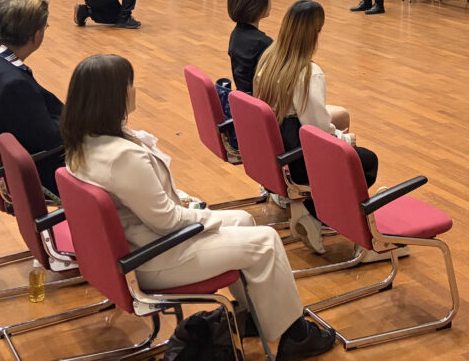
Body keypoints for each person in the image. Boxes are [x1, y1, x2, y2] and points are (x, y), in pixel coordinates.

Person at [61, 54, 336, 358]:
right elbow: (167, 221)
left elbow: (141, 200)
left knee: (244, 220)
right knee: (267, 242)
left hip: (137, 246)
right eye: (130, 85)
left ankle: (255, 314)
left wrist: (190, 207)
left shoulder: (85, 145)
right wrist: (206, 215)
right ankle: (295, 335)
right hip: (155, 257)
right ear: (113, 97)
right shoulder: (122, 157)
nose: (134, 90)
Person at [253, 1, 377, 250]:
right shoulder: (308, 73)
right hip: (300, 160)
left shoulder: (268, 59)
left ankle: (309, 209)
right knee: (366, 161)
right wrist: (345, 140)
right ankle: (318, 214)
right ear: (313, 34)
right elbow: (318, 130)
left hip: (279, 153)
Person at [0, 0, 64, 196]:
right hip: (46, 172)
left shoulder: (4, 67)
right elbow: (50, 139)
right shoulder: (14, 84)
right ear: (37, 35)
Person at [228, 0, 274, 95]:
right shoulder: (264, 44)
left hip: (242, 100)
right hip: (257, 103)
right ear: (257, 3)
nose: (271, 0)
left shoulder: (236, 34)